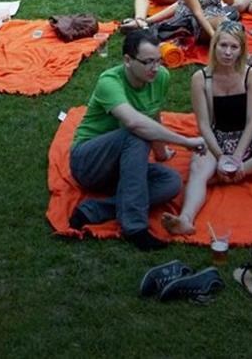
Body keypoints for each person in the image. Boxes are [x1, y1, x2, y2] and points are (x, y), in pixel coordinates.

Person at [67, 28, 207, 251]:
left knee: (171, 182)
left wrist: (161, 153)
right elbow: (135, 123)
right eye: (148, 62)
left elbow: (153, 115)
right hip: (89, 163)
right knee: (136, 134)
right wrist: (186, 141)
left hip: (121, 168)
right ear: (128, 60)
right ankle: (134, 227)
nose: (156, 68)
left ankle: (96, 209)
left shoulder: (161, 77)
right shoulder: (109, 82)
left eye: (159, 61)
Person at [158, 20, 252, 236]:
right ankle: (185, 219)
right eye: (223, 46)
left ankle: (233, 174)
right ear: (214, 47)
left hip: (247, 139)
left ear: (241, 49)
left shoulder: (251, 75)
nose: (227, 52)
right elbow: (203, 125)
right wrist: (221, 155)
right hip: (215, 140)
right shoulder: (201, 78)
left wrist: (237, 159)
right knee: (197, 170)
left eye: (234, 47)